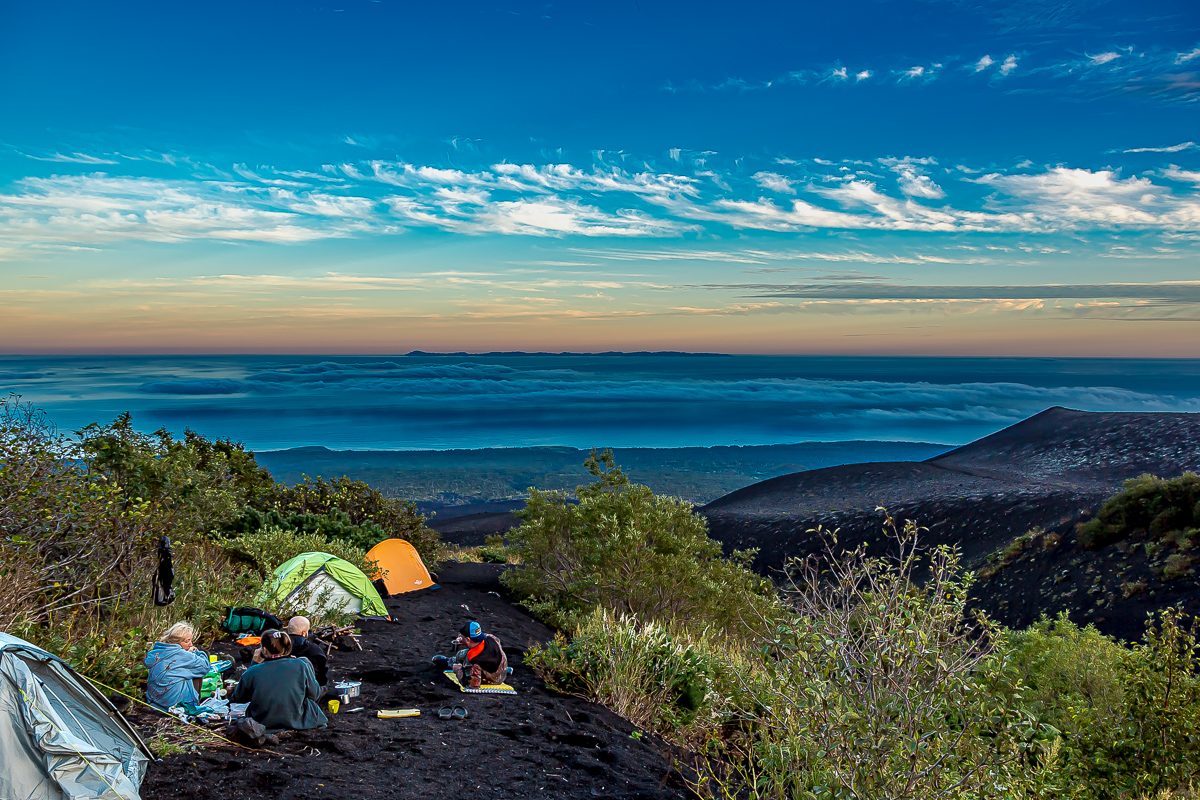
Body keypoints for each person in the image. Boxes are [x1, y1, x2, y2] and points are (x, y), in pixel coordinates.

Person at [231, 629, 327, 734]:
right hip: (298, 721)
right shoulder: (302, 665)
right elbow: (315, 694)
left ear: (264, 649)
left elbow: (239, 698)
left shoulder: (252, 671)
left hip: (263, 722)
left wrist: (254, 664)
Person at [144, 622, 213, 709]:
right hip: (176, 706)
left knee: (187, 671)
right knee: (196, 672)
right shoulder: (181, 655)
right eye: (187, 641)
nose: (191, 644)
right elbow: (205, 667)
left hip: (154, 704)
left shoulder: (155, 652)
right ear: (176, 642)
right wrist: (196, 652)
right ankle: (194, 706)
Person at [431, 621, 508, 689]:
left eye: (462, 636)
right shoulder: (491, 638)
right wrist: (462, 640)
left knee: (462, 656)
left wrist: (458, 670)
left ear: (468, 639)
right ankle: (502, 670)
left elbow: (473, 685)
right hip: (501, 668)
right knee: (463, 654)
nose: (460, 637)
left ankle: (449, 662)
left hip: (493, 680)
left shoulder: (474, 662)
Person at [285, 615, 329, 687]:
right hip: (308, 688)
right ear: (303, 632)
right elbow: (323, 674)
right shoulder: (314, 649)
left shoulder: (278, 646)